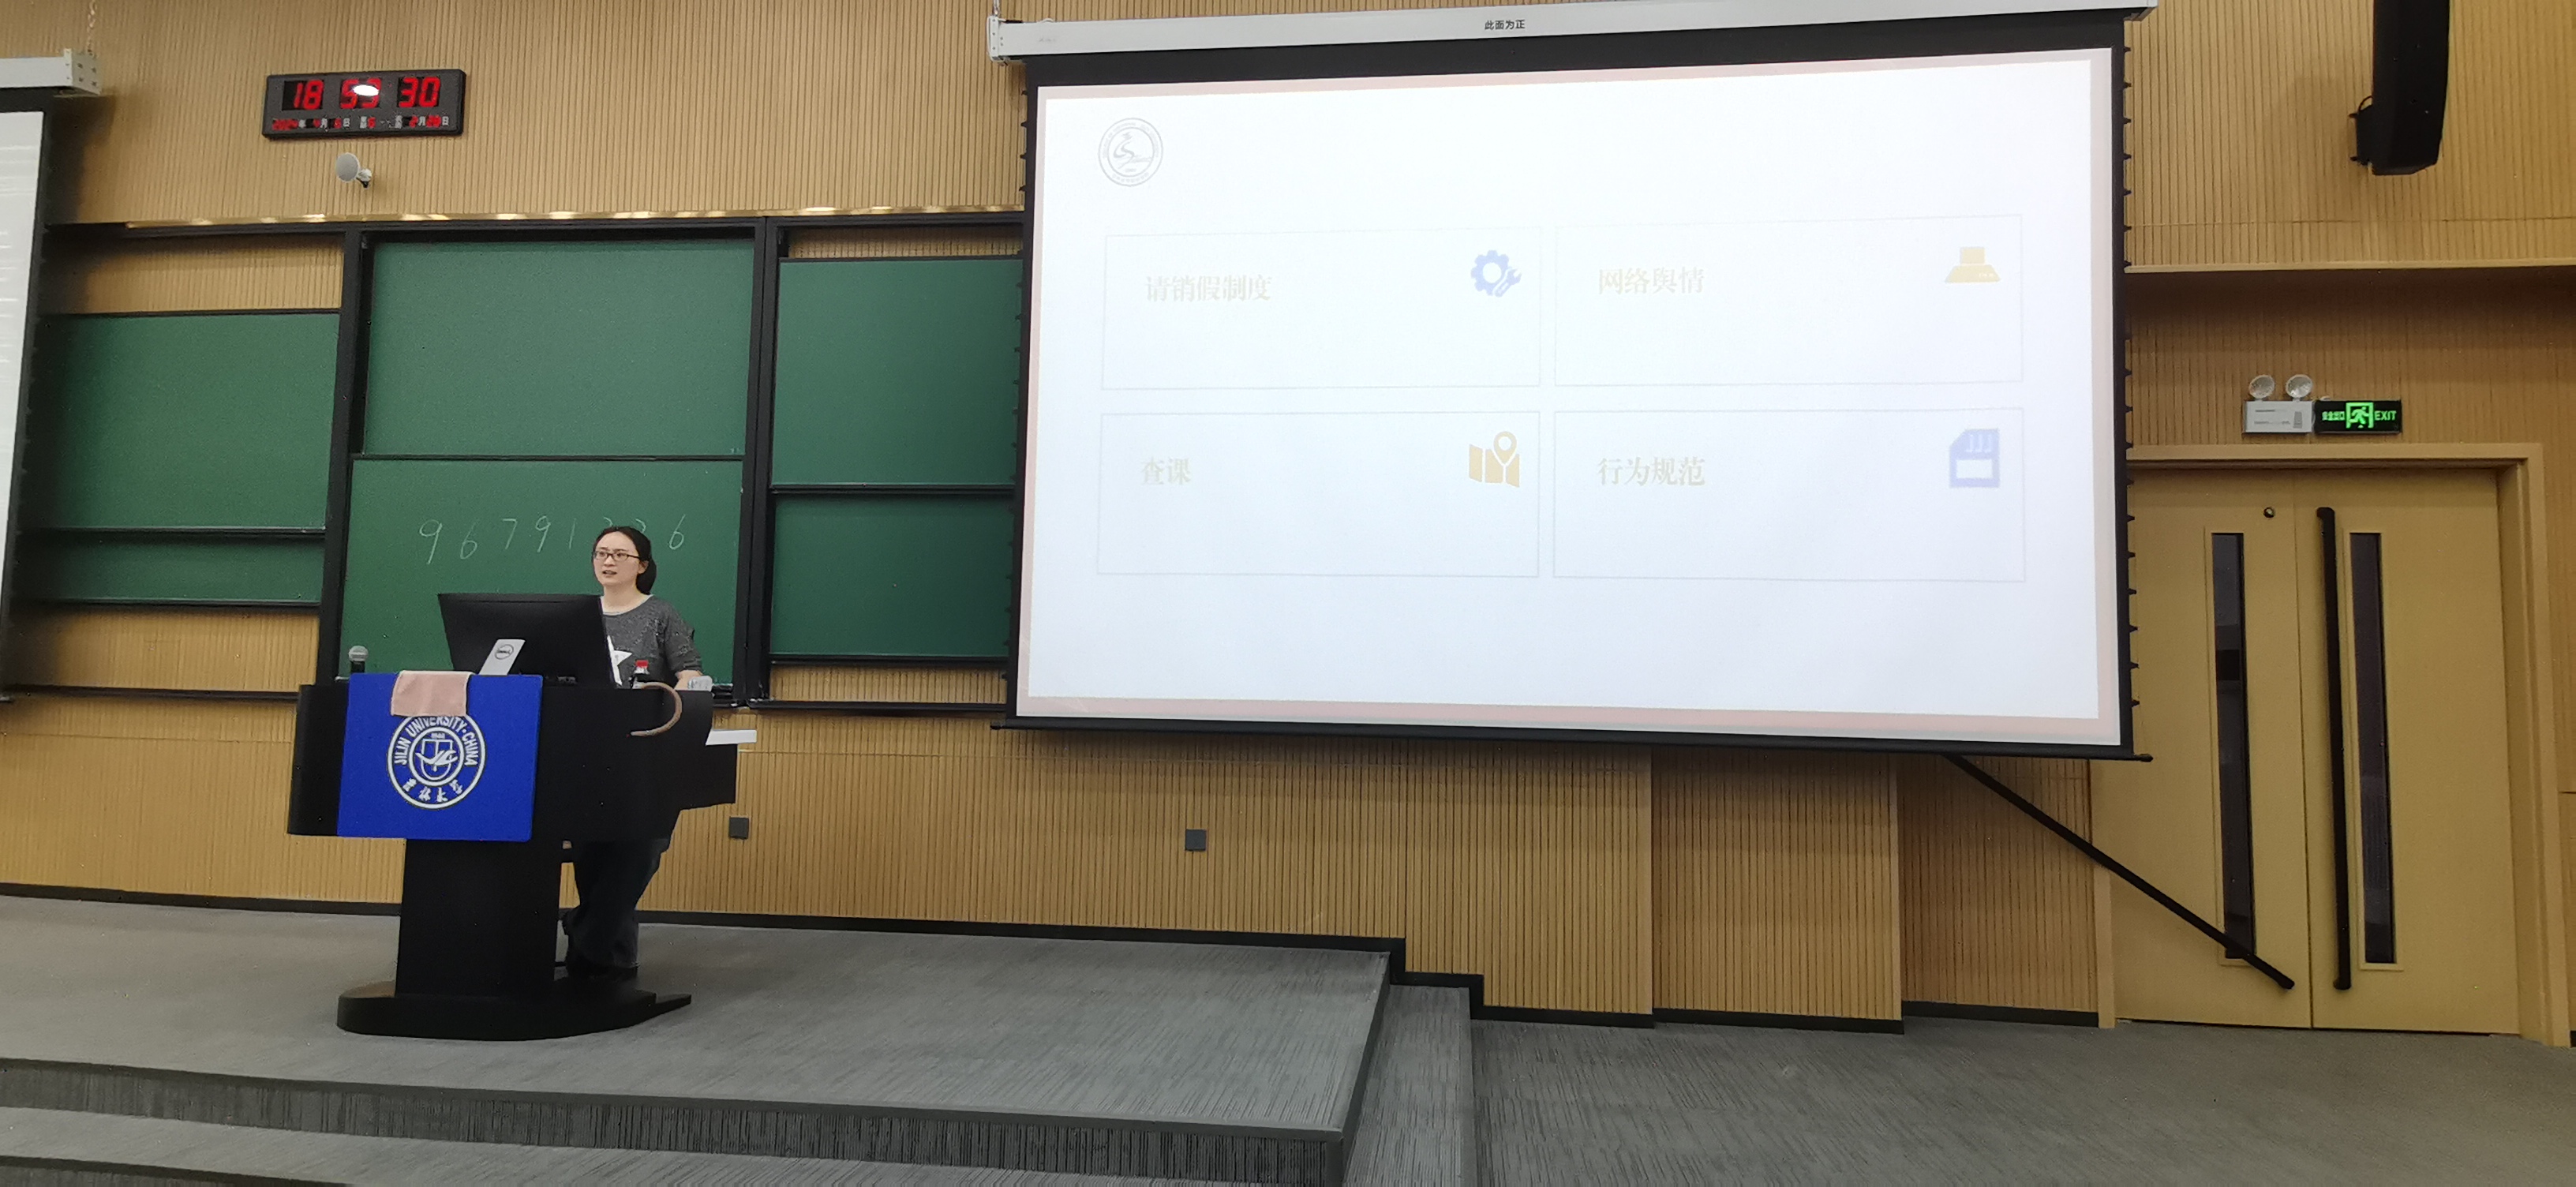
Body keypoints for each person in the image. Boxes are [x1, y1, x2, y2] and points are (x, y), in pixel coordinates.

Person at [564, 525, 705, 983]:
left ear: (642, 565)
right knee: (592, 855)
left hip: (647, 752)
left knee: (640, 849)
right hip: (585, 750)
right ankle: (609, 959)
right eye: (601, 553)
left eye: (620, 555)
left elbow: (690, 673)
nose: (608, 561)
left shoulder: (660, 614)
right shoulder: (578, 616)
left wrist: (678, 706)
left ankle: (586, 936)